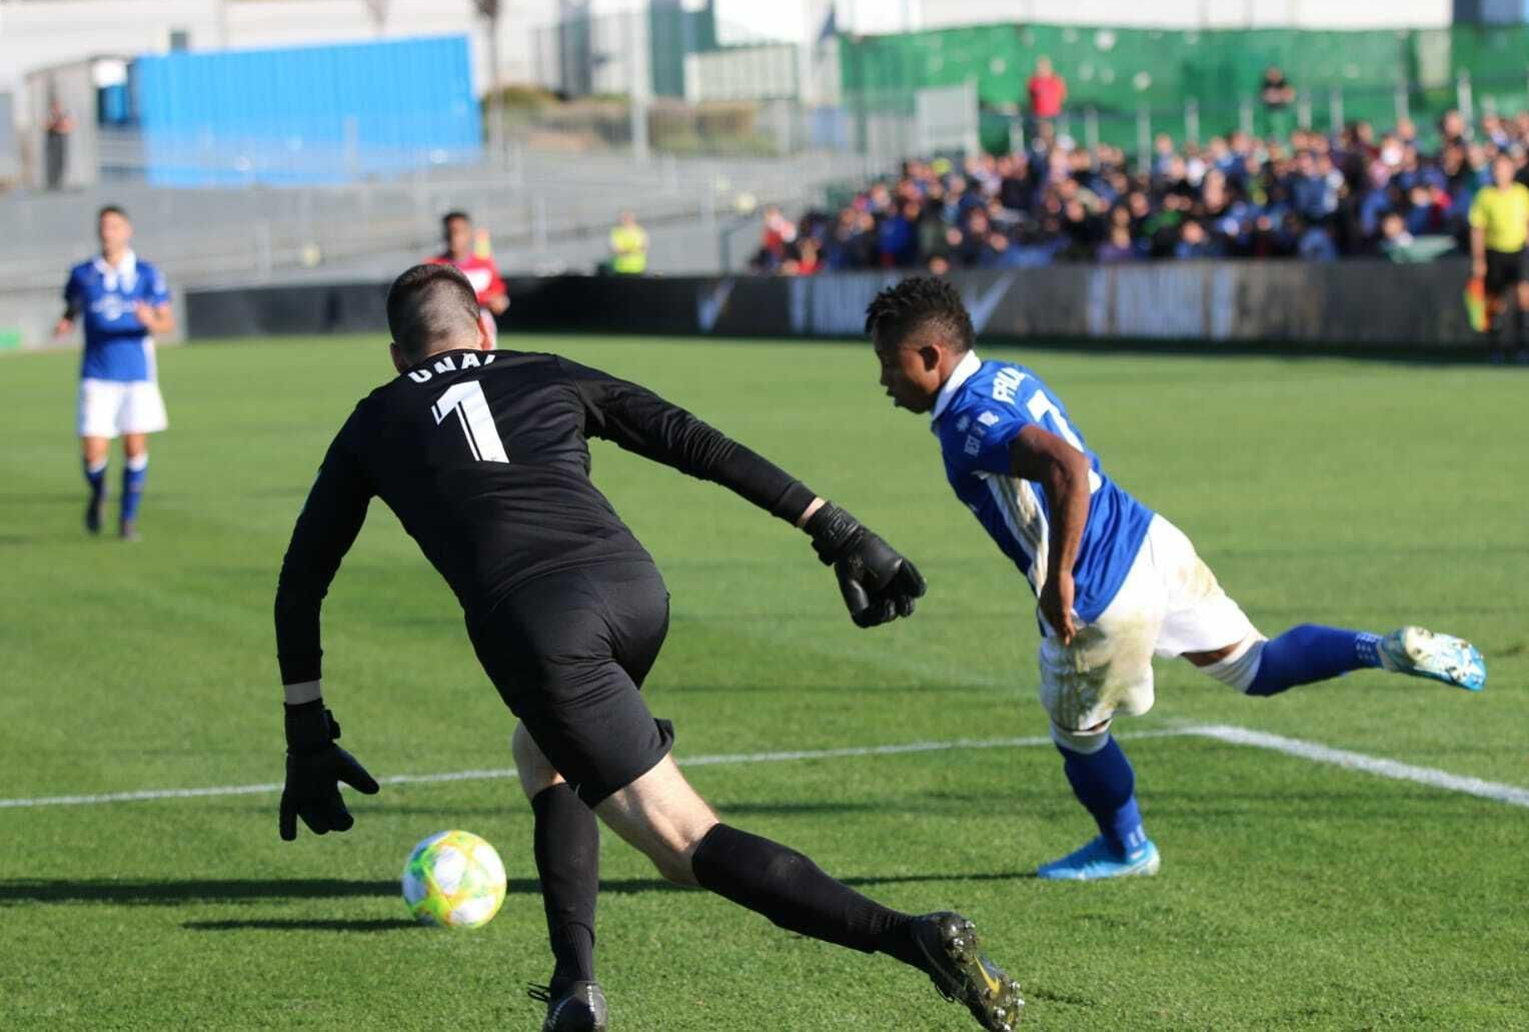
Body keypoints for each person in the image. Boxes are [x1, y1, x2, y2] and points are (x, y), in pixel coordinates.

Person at [272, 264, 1023, 1032]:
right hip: (633, 590)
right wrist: (834, 525)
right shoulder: (544, 370)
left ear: (399, 356)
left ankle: (912, 936)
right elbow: (690, 438)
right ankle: (574, 984)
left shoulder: (376, 417)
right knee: (543, 751)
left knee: (683, 840)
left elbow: (300, 584)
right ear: (485, 329)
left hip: (540, 628)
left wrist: (306, 734)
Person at [863, 277, 1486, 883]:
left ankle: (1126, 846)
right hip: (1150, 540)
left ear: (930, 355)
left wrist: (1059, 579)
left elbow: (1067, 466)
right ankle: (1379, 649)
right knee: (1255, 666)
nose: (885, 383)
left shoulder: (967, 419)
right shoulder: (1006, 373)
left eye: (890, 365)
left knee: (1079, 738)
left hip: (1099, 591)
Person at [55, 206, 175, 540]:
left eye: (115, 226)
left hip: (137, 375)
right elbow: (73, 304)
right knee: (93, 451)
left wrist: (151, 321)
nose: (108, 232)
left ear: (128, 231)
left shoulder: (146, 274)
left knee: (135, 447)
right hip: (97, 373)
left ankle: (128, 520)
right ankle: (98, 493)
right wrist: (66, 321)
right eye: (104, 226)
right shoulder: (83, 273)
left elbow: (167, 322)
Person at [1468, 152, 1529, 363]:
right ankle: (1495, 349)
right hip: (1495, 252)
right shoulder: (1485, 196)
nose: (1501, 172)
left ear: (1512, 170)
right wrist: (1478, 259)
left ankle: (1523, 348)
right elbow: (1477, 229)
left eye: (1504, 167)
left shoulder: (1522, 193)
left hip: (1518, 251)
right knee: (1496, 302)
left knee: (1524, 295)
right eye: (1497, 168)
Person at [427, 211, 510, 349]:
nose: (454, 236)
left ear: (469, 233)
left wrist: (499, 302)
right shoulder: (434, 266)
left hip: (482, 330)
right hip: (447, 331)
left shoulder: (484, 264)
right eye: (451, 231)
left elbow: (499, 297)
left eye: (460, 231)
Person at [1025, 56, 1066, 142]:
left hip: (1054, 116)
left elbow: (1063, 95)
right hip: (1039, 117)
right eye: (1040, 66)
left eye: (1044, 66)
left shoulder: (1056, 80)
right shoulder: (1034, 81)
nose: (1042, 68)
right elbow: (1030, 97)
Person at [44, 97, 74, 191]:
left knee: (61, 161)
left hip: (61, 140)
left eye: (58, 106)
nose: (56, 108)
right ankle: (52, 182)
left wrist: (59, 125)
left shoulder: (64, 115)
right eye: (54, 106)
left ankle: (61, 181)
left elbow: (69, 126)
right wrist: (54, 125)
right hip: (52, 140)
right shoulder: (49, 116)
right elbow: (46, 126)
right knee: (52, 162)